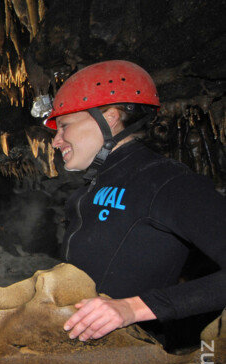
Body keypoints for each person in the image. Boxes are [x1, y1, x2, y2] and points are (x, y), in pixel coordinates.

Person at [36, 60, 226, 342]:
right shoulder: (87, 191)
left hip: (126, 359)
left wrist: (132, 308)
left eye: (64, 126)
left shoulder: (167, 182)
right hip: (75, 352)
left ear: (110, 117)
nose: (56, 141)